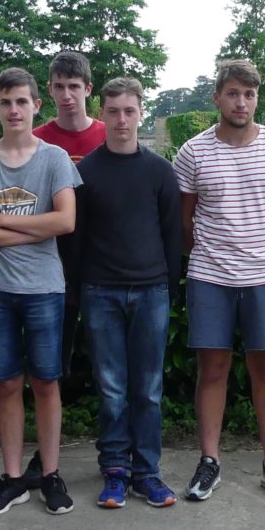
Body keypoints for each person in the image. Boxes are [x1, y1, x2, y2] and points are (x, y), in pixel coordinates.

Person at [175, 59, 265, 501]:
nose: (241, 102)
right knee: (212, 369)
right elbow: (184, 218)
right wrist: (209, 256)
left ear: (256, 99)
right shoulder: (193, 152)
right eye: (232, 93)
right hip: (209, 277)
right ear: (217, 97)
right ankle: (209, 461)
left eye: (249, 94)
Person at [0, 68, 81, 517]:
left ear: (36, 106)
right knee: (8, 383)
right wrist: (31, 229)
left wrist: (0, 220)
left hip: (44, 288)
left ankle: (49, 474)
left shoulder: (54, 158)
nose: (14, 110)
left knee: (46, 383)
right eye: (6, 102)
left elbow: (65, 221)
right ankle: (14, 479)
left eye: (22, 101)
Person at [71, 77, 182, 508]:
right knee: (112, 388)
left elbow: (172, 235)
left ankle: (147, 472)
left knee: (148, 389)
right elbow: (76, 238)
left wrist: (167, 286)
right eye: (114, 111)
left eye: (129, 111)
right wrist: (79, 290)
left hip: (151, 291)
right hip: (101, 292)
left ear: (140, 113)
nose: (122, 120)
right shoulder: (86, 172)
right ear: (102, 113)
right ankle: (115, 469)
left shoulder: (159, 171)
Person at [22, 50, 105, 488]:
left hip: (105, 268)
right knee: (50, 368)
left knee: (111, 367)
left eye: (75, 86)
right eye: (59, 86)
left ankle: (117, 451)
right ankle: (44, 455)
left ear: (88, 89)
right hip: (50, 271)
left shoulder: (109, 133)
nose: (67, 94)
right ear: (49, 90)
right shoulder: (35, 139)